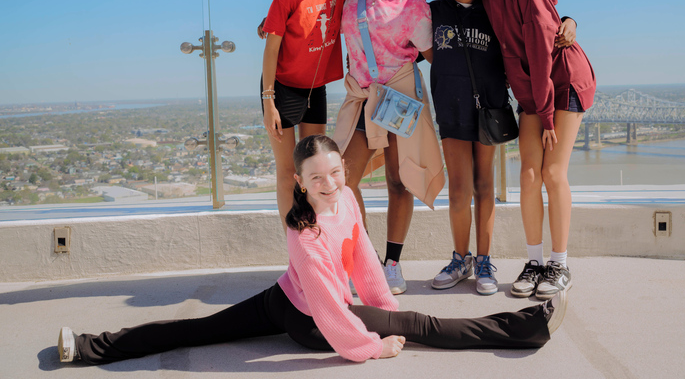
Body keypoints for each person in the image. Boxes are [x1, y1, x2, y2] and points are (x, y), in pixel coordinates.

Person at [58, 135, 567, 366]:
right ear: (300, 184)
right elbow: (326, 303)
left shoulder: (345, 198)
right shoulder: (303, 231)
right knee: (423, 328)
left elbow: (364, 259)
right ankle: (88, 347)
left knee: (407, 318)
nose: (329, 184)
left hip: (290, 298)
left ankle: (523, 325)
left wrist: (384, 311)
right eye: (316, 179)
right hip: (306, 318)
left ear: (345, 173)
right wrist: (371, 344)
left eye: (335, 173)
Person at [259, 0, 443, 232]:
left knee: (320, 169)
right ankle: (306, 245)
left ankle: (338, 245)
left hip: (328, 90)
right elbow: (274, 43)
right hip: (289, 88)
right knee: (301, 171)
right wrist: (269, 99)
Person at [428, 0, 577, 296]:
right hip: (449, 107)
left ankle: (483, 261)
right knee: (459, 189)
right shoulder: (434, 10)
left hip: (489, 108)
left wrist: (569, 20)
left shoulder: (494, 9)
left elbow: (539, 20)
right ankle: (460, 258)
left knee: (484, 188)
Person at [472, 0, 596, 300]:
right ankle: (535, 261)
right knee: (528, 174)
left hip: (561, 81)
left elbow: (543, 50)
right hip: (533, 89)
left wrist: (543, 114)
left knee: (553, 173)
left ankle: (560, 263)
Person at [333, 0, 444, 295]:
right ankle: (362, 258)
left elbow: (433, 58)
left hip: (399, 96)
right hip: (362, 96)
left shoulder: (413, 6)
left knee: (399, 181)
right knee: (344, 180)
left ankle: (392, 265)